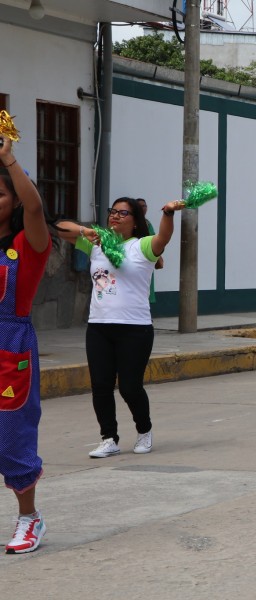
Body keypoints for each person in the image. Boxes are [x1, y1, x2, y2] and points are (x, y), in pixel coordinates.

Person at [56, 196, 184, 459]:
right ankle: (109, 438)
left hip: (134, 328)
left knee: (129, 387)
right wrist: (85, 230)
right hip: (99, 327)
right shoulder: (96, 244)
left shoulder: (142, 246)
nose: (115, 216)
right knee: (100, 385)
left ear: (135, 221)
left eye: (123, 213)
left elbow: (164, 237)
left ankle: (144, 430)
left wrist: (169, 213)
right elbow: (58, 227)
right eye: (112, 211)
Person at [0, 136, 52, 553]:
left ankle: (28, 518)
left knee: (11, 437)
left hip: (10, 347)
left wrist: (9, 160)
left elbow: (35, 207)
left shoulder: (26, 247)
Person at [135, 198, 164, 303]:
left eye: (144, 206)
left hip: (148, 257)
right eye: (140, 206)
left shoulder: (147, 223)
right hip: (136, 257)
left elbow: (154, 239)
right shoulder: (132, 223)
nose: (143, 208)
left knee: (147, 283)